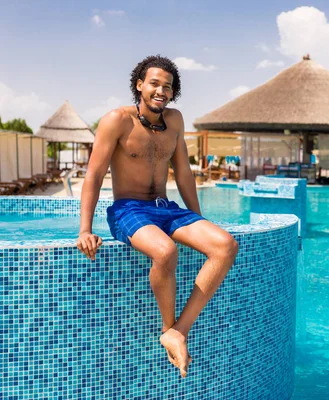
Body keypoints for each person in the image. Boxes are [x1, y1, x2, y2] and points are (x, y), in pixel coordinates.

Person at [76, 55, 238, 378]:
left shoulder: (175, 121)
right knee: (165, 251)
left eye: (168, 86)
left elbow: (184, 175)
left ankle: (178, 330)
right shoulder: (117, 121)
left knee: (225, 246)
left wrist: (198, 221)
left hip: (165, 208)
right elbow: (93, 176)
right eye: (154, 83)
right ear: (139, 85)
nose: (161, 91)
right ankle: (167, 326)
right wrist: (85, 229)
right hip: (128, 209)